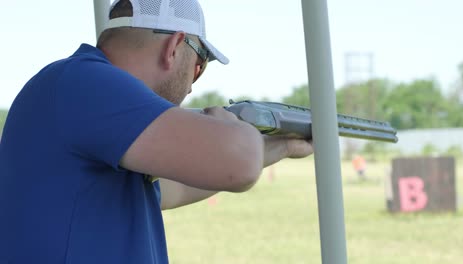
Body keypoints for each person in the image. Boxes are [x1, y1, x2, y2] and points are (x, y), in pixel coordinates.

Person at [0, 0, 313, 263]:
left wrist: (282, 146)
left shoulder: (86, 97)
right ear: (175, 47)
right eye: (200, 64)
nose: (192, 85)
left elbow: (173, 188)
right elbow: (238, 164)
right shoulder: (85, 82)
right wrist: (228, 126)